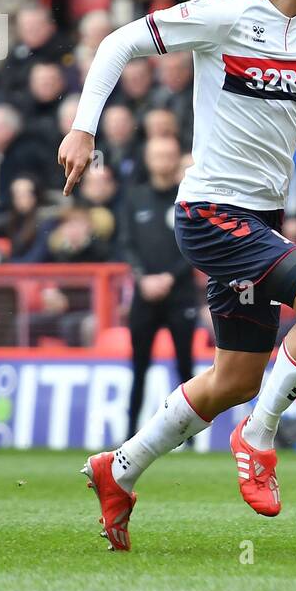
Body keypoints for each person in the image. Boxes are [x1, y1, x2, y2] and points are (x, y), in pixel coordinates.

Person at [60, 0, 296, 548]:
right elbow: (119, 41)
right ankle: (258, 438)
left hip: (260, 216)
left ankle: (118, 469)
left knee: (236, 377)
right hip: (208, 211)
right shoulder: (225, 14)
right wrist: (85, 126)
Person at [120, 135, 197, 434]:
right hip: (144, 295)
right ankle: (128, 434)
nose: (163, 161)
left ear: (176, 158)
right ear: (148, 159)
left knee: (186, 367)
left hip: (180, 294)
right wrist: (142, 277)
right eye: (157, 155)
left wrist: (170, 277)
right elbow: (125, 244)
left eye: (169, 155)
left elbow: (197, 245)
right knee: (138, 368)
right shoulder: (135, 197)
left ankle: (190, 438)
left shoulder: (188, 197)